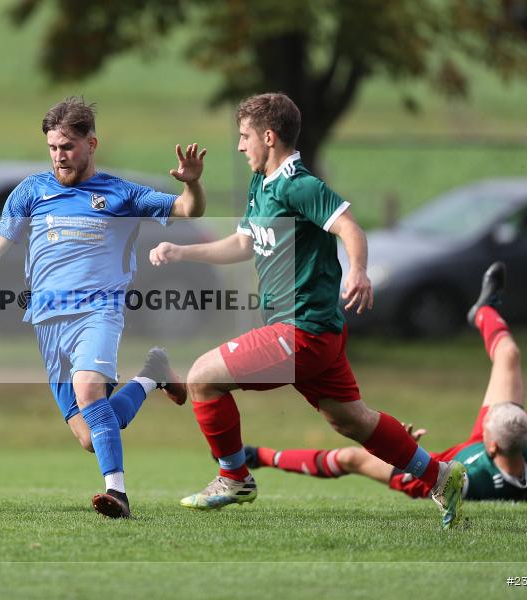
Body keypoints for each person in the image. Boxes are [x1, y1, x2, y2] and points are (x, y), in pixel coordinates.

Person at [148, 92, 466, 528]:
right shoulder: (262, 184)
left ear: (268, 137)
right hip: (317, 332)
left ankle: (234, 477)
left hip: (302, 329)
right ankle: (440, 476)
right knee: (352, 420)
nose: (239, 146)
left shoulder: (300, 185)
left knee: (203, 377)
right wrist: (183, 252)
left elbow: (349, 227)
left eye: (244, 137)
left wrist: (359, 271)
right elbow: (242, 243)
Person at [0, 97, 204, 518]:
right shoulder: (31, 192)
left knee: (89, 391)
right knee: (90, 435)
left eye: (67, 146)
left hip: (99, 312)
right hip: (48, 321)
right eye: (52, 147)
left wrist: (192, 184)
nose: (59, 156)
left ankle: (118, 494)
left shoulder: (120, 193)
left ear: (91, 144)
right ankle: (151, 375)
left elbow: (187, 210)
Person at [244, 262, 527, 502]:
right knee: (509, 355)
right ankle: (482, 311)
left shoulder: (477, 483)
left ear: (492, 445)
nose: (489, 411)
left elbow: (437, 477)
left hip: (432, 475)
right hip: (489, 448)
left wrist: (403, 449)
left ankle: (260, 456)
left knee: (351, 458)